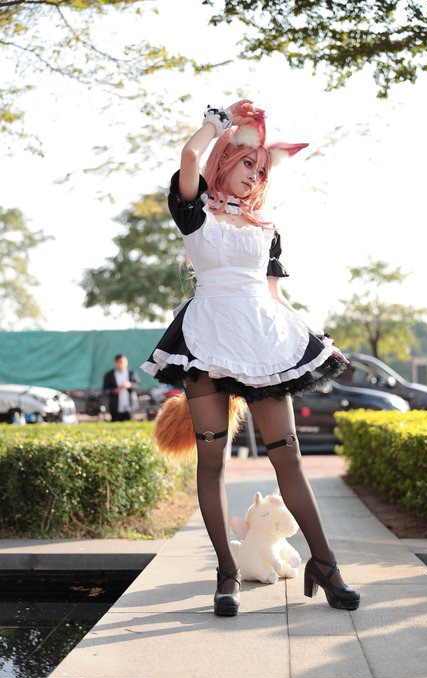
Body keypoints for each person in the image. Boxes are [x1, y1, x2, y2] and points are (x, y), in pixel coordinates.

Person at [141, 100, 360, 616]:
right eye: (246, 163)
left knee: (288, 456)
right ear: (225, 159)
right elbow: (189, 158)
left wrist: (316, 336)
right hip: (207, 339)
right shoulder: (195, 210)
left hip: (263, 338)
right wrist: (215, 124)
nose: (254, 175)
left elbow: (275, 297)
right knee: (213, 459)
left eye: (261, 169)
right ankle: (227, 571)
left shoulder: (266, 227)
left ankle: (325, 564)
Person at [103, 354, 140, 422]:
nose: (122, 364)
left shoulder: (132, 373)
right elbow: (105, 390)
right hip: (115, 407)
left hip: (130, 406)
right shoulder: (109, 375)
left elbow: (138, 386)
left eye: (123, 362)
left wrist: (130, 385)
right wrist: (114, 391)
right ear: (116, 363)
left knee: (130, 423)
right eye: (119, 362)